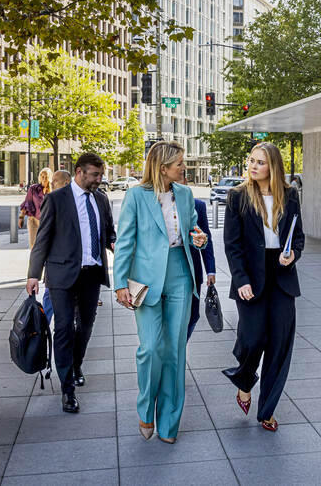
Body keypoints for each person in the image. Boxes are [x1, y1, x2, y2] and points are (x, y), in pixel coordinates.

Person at [113, 141, 208, 444]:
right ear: (163, 167)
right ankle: (146, 409)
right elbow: (125, 242)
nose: (184, 167)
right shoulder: (136, 196)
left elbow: (193, 232)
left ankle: (169, 423)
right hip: (145, 281)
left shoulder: (186, 193)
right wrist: (119, 283)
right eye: (179, 163)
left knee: (175, 351)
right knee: (151, 348)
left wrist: (200, 239)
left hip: (181, 274)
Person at [222, 142, 305, 432]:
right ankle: (244, 379)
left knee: (280, 345)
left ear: (273, 166)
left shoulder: (291, 195)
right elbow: (231, 245)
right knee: (253, 338)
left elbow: (298, 237)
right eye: (251, 161)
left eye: (260, 162)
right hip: (250, 275)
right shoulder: (237, 196)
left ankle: (266, 410)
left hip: (282, 275)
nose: (253, 166)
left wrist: (293, 253)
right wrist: (241, 280)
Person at [26, 154, 116, 414]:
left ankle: (76, 365)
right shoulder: (56, 199)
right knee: (64, 328)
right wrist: (33, 274)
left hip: (91, 274)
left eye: (101, 175)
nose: (99, 180)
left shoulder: (101, 199)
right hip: (61, 275)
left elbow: (108, 230)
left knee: (85, 327)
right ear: (79, 172)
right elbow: (42, 239)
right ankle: (67, 390)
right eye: (95, 175)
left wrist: (113, 242)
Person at [181, 173, 216, 339]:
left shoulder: (198, 206)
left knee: (193, 315)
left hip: (194, 272)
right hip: (168, 274)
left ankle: (180, 348)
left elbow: (206, 238)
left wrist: (211, 270)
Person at [40, 169, 72, 321]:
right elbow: (44, 236)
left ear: (66, 182)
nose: (51, 184)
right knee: (49, 297)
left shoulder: (71, 201)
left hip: (68, 264)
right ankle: (43, 326)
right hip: (55, 265)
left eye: (54, 181)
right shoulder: (51, 199)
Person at [19, 167, 52, 248]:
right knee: (34, 245)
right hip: (33, 220)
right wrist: (21, 217)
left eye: (46, 176)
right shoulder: (33, 188)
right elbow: (27, 202)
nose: (44, 178)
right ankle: (34, 261)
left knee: (46, 246)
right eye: (42, 176)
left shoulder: (53, 191)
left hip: (47, 222)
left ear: (50, 177)